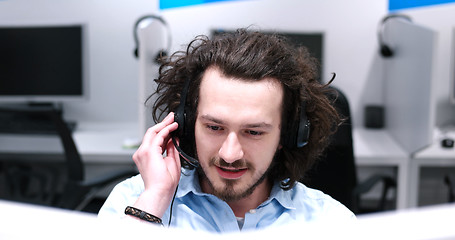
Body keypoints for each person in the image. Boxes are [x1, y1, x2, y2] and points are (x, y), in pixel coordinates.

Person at [98, 29, 355, 232]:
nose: (230, 155)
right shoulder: (132, 202)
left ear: (287, 134)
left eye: (253, 132)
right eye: (214, 127)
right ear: (187, 124)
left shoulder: (330, 223)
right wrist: (153, 201)